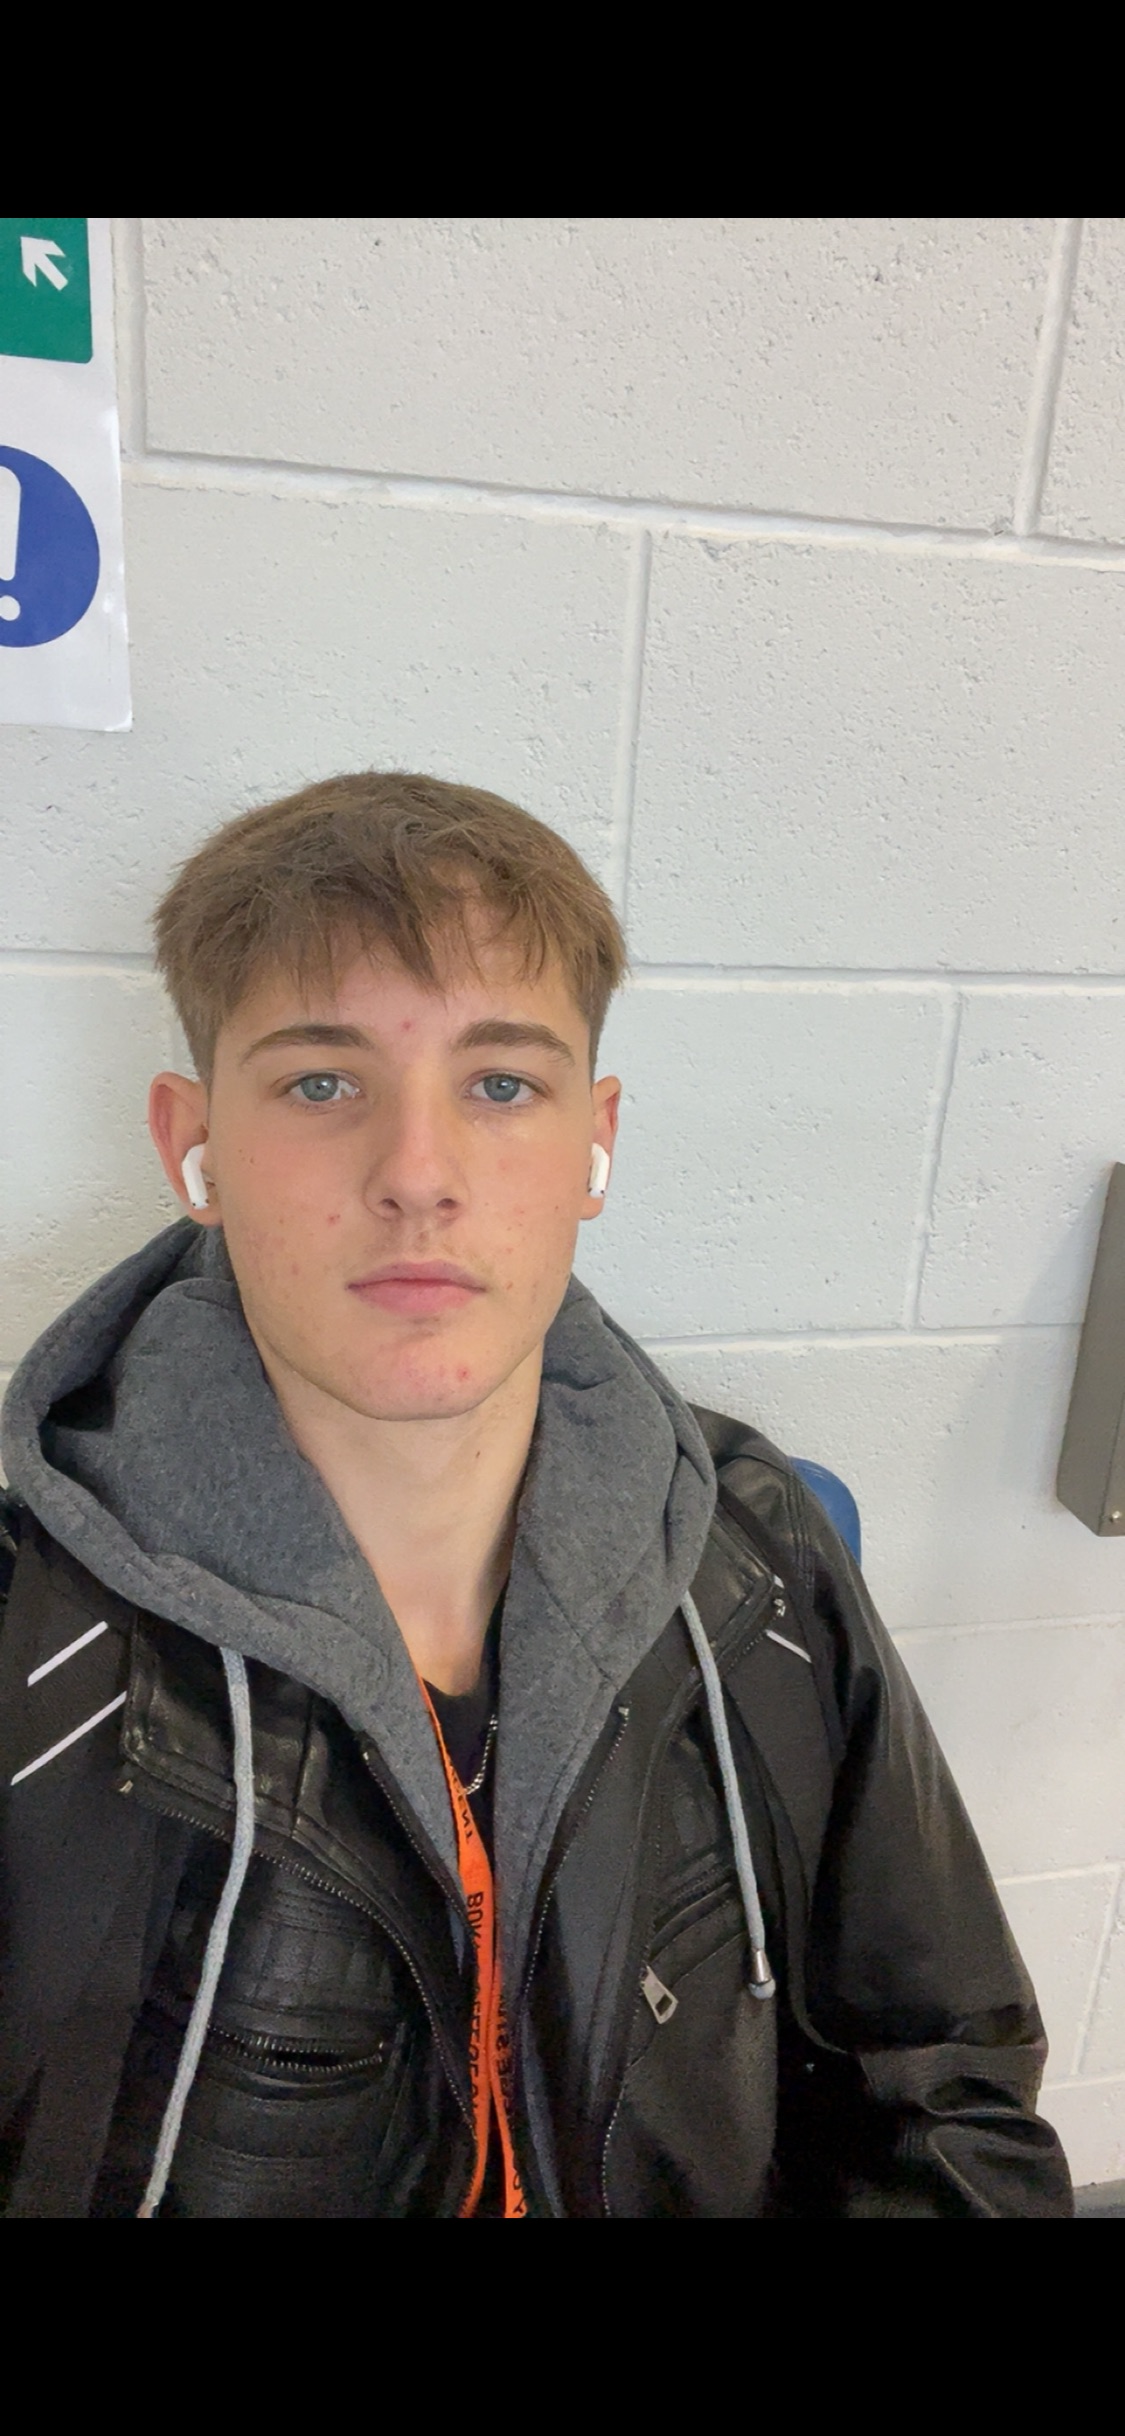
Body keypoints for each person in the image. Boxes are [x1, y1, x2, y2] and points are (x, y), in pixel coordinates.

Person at [0, 771, 1071, 2217]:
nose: (418, 1174)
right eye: (322, 1084)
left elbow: (944, 2088)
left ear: (596, 1143)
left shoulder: (755, 1553)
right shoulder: (28, 1621)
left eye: (501, 1084)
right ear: (190, 1143)